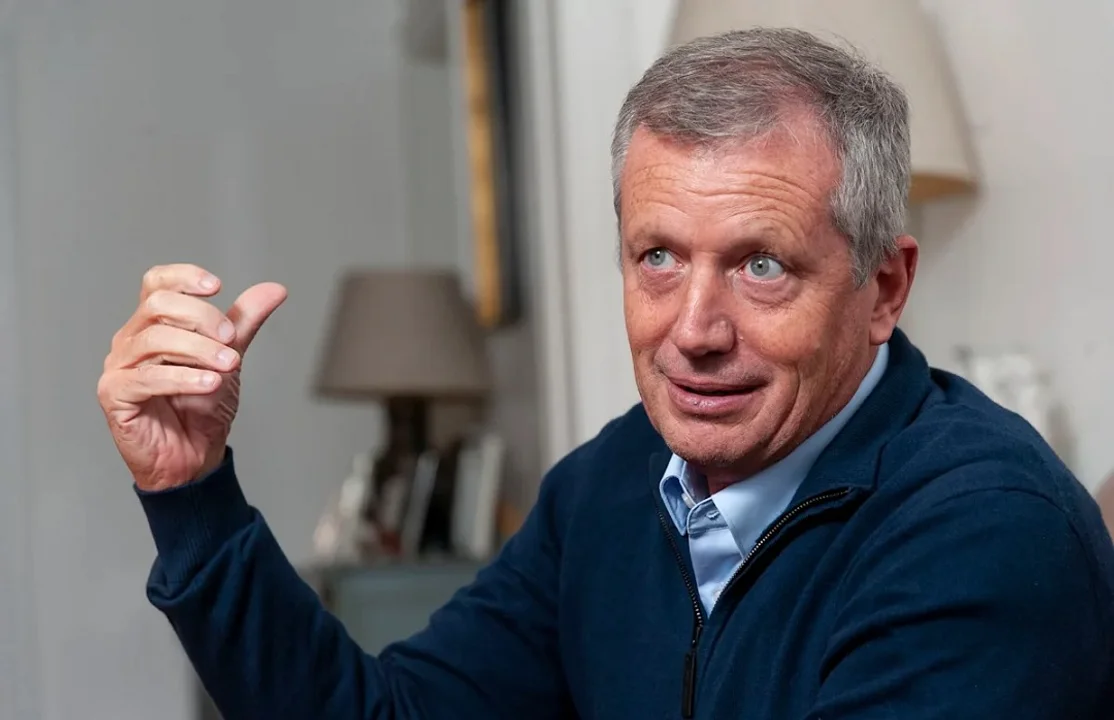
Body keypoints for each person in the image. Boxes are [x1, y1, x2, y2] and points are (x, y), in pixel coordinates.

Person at [97, 28, 1114, 719]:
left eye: (761, 266)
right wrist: (193, 494)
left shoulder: (987, 531)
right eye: (657, 257)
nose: (693, 331)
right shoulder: (610, 486)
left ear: (883, 287)